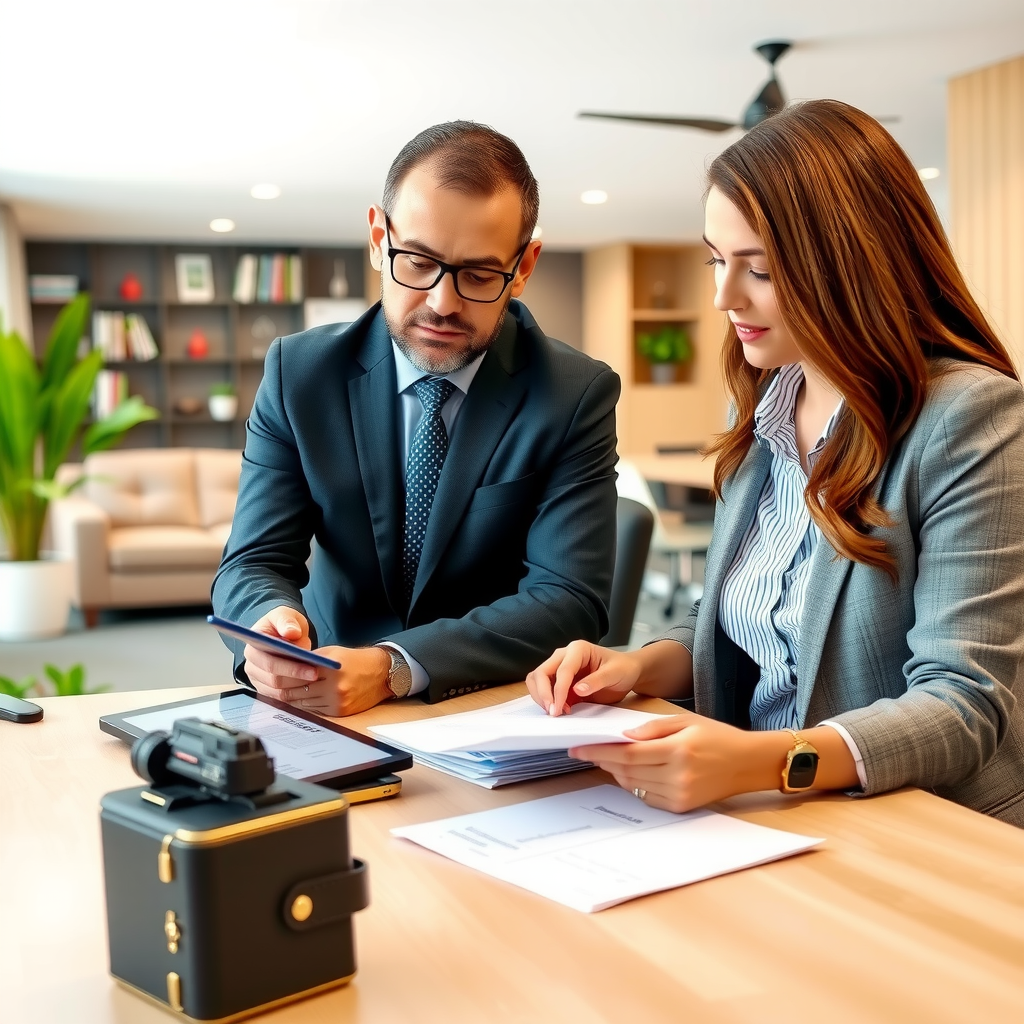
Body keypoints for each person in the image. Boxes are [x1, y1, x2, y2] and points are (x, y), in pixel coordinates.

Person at [526, 99, 1024, 827]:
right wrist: (633, 667)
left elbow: (962, 704)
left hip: (918, 828)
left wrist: (757, 762)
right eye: (716, 260)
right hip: (767, 815)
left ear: (848, 264)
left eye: (757, 269)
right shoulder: (759, 405)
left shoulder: (972, 417)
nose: (724, 296)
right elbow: (730, 614)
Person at [214, 122, 619, 716]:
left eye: (479, 275)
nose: (441, 302)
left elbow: (569, 596)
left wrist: (393, 666)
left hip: (490, 705)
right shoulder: (299, 375)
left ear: (524, 265)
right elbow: (252, 562)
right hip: (325, 695)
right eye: (419, 261)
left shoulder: (574, 393)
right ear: (379, 237)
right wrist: (268, 627)